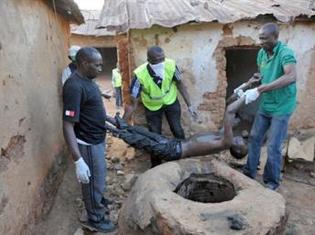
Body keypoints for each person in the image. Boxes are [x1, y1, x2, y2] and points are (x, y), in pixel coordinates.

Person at [63, 47, 116, 233]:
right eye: (98, 65)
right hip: (87, 143)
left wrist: (110, 120)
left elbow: (93, 109)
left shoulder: (89, 81)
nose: (101, 69)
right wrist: (78, 160)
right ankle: (94, 218)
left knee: (98, 179)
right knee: (93, 182)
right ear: (85, 63)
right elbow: (68, 124)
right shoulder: (73, 86)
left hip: (97, 138)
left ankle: (98, 203)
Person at [107, 95, 249, 161]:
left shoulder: (226, 141)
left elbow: (230, 110)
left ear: (235, 148)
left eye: (242, 143)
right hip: (172, 144)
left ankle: (107, 127)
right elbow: (229, 102)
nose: (242, 139)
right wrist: (247, 85)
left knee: (136, 139)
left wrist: (250, 96)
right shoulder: (221, 135)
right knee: (137, 131)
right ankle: (109, 120)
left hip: (173, 151)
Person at [242, 23, 297, 190]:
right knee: (254, 137)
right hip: (267, 104)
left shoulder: (285, 53)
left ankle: (271, 181)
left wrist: (263, 88)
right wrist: (255, 80)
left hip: (282, 105)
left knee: (273, 145)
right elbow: (263, 74)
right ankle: (249, 172)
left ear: (275, 37)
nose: (260, 42)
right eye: (259, 38)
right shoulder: (261, 53)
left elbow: (291, 76)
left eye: (264, 39)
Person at [123, 46, 198, 167]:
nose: (161, 62)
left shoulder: (171, 65)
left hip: (171, 100)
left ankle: (184, 158)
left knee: (177, 129)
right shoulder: (139, 75)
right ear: (149, 60)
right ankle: (156, 165)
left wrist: (190, 105)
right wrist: (124, 122)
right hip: (152, 106)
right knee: (155, 136)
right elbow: (133, 103)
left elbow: (180, 84)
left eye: (163, 58)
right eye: (158, 60)